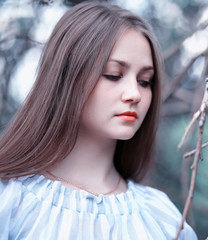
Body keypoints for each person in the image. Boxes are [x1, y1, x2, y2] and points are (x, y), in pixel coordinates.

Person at [0, 1, 197, 239]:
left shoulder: (162, 218)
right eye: (114, 75)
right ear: (67, 77)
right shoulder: (10, 201)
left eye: (145, 81)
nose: (134, 94)